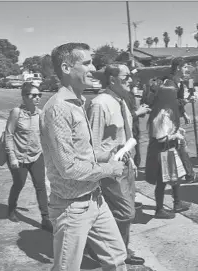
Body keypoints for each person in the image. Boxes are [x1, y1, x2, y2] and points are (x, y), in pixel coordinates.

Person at [39, 42, 128, 271]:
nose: (93, 68)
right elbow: (68, 167)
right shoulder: (58, 108)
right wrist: (111, 170)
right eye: (86, 63)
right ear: (67, 68)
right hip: (72, 208)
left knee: (117, 258)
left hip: (95, 199)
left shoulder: (78, 103)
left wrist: (106, 154)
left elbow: (82, 153)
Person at [87, 64, 147, 266]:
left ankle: (121, 251)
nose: (131, 80)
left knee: (123, 213)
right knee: (126, 212)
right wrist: (109, 160)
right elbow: (92, 146)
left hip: (126, 165)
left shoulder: (121, 101)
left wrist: (131, 160)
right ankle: (107, 249)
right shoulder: (100, 104)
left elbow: (126, 135)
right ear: (112, 79)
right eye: (127, 76)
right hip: (111, 169)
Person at [144, 80, 198, 219]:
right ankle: (159, 210)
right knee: (162, 182)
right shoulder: (162, 114)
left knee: (174, 178)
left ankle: (177, 203)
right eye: (174, 96)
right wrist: (176, 135)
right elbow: (161, 138)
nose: (176, 99)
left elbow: (166, 130)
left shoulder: (166, 111)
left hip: (167, 150)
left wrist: (176, 130)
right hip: (162, 152)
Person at [4, 82, 52, 232]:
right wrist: (12, 157)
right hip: (18, 156)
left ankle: (46, 218)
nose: (37, 98)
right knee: (19, 184)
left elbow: (46, 135)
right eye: (33, 95)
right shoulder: (16, 113)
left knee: (41, 186)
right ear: (25, 97)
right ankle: (11, 209)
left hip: (36, 155)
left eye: (39, 95)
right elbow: (9, 135)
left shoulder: (41, 114)